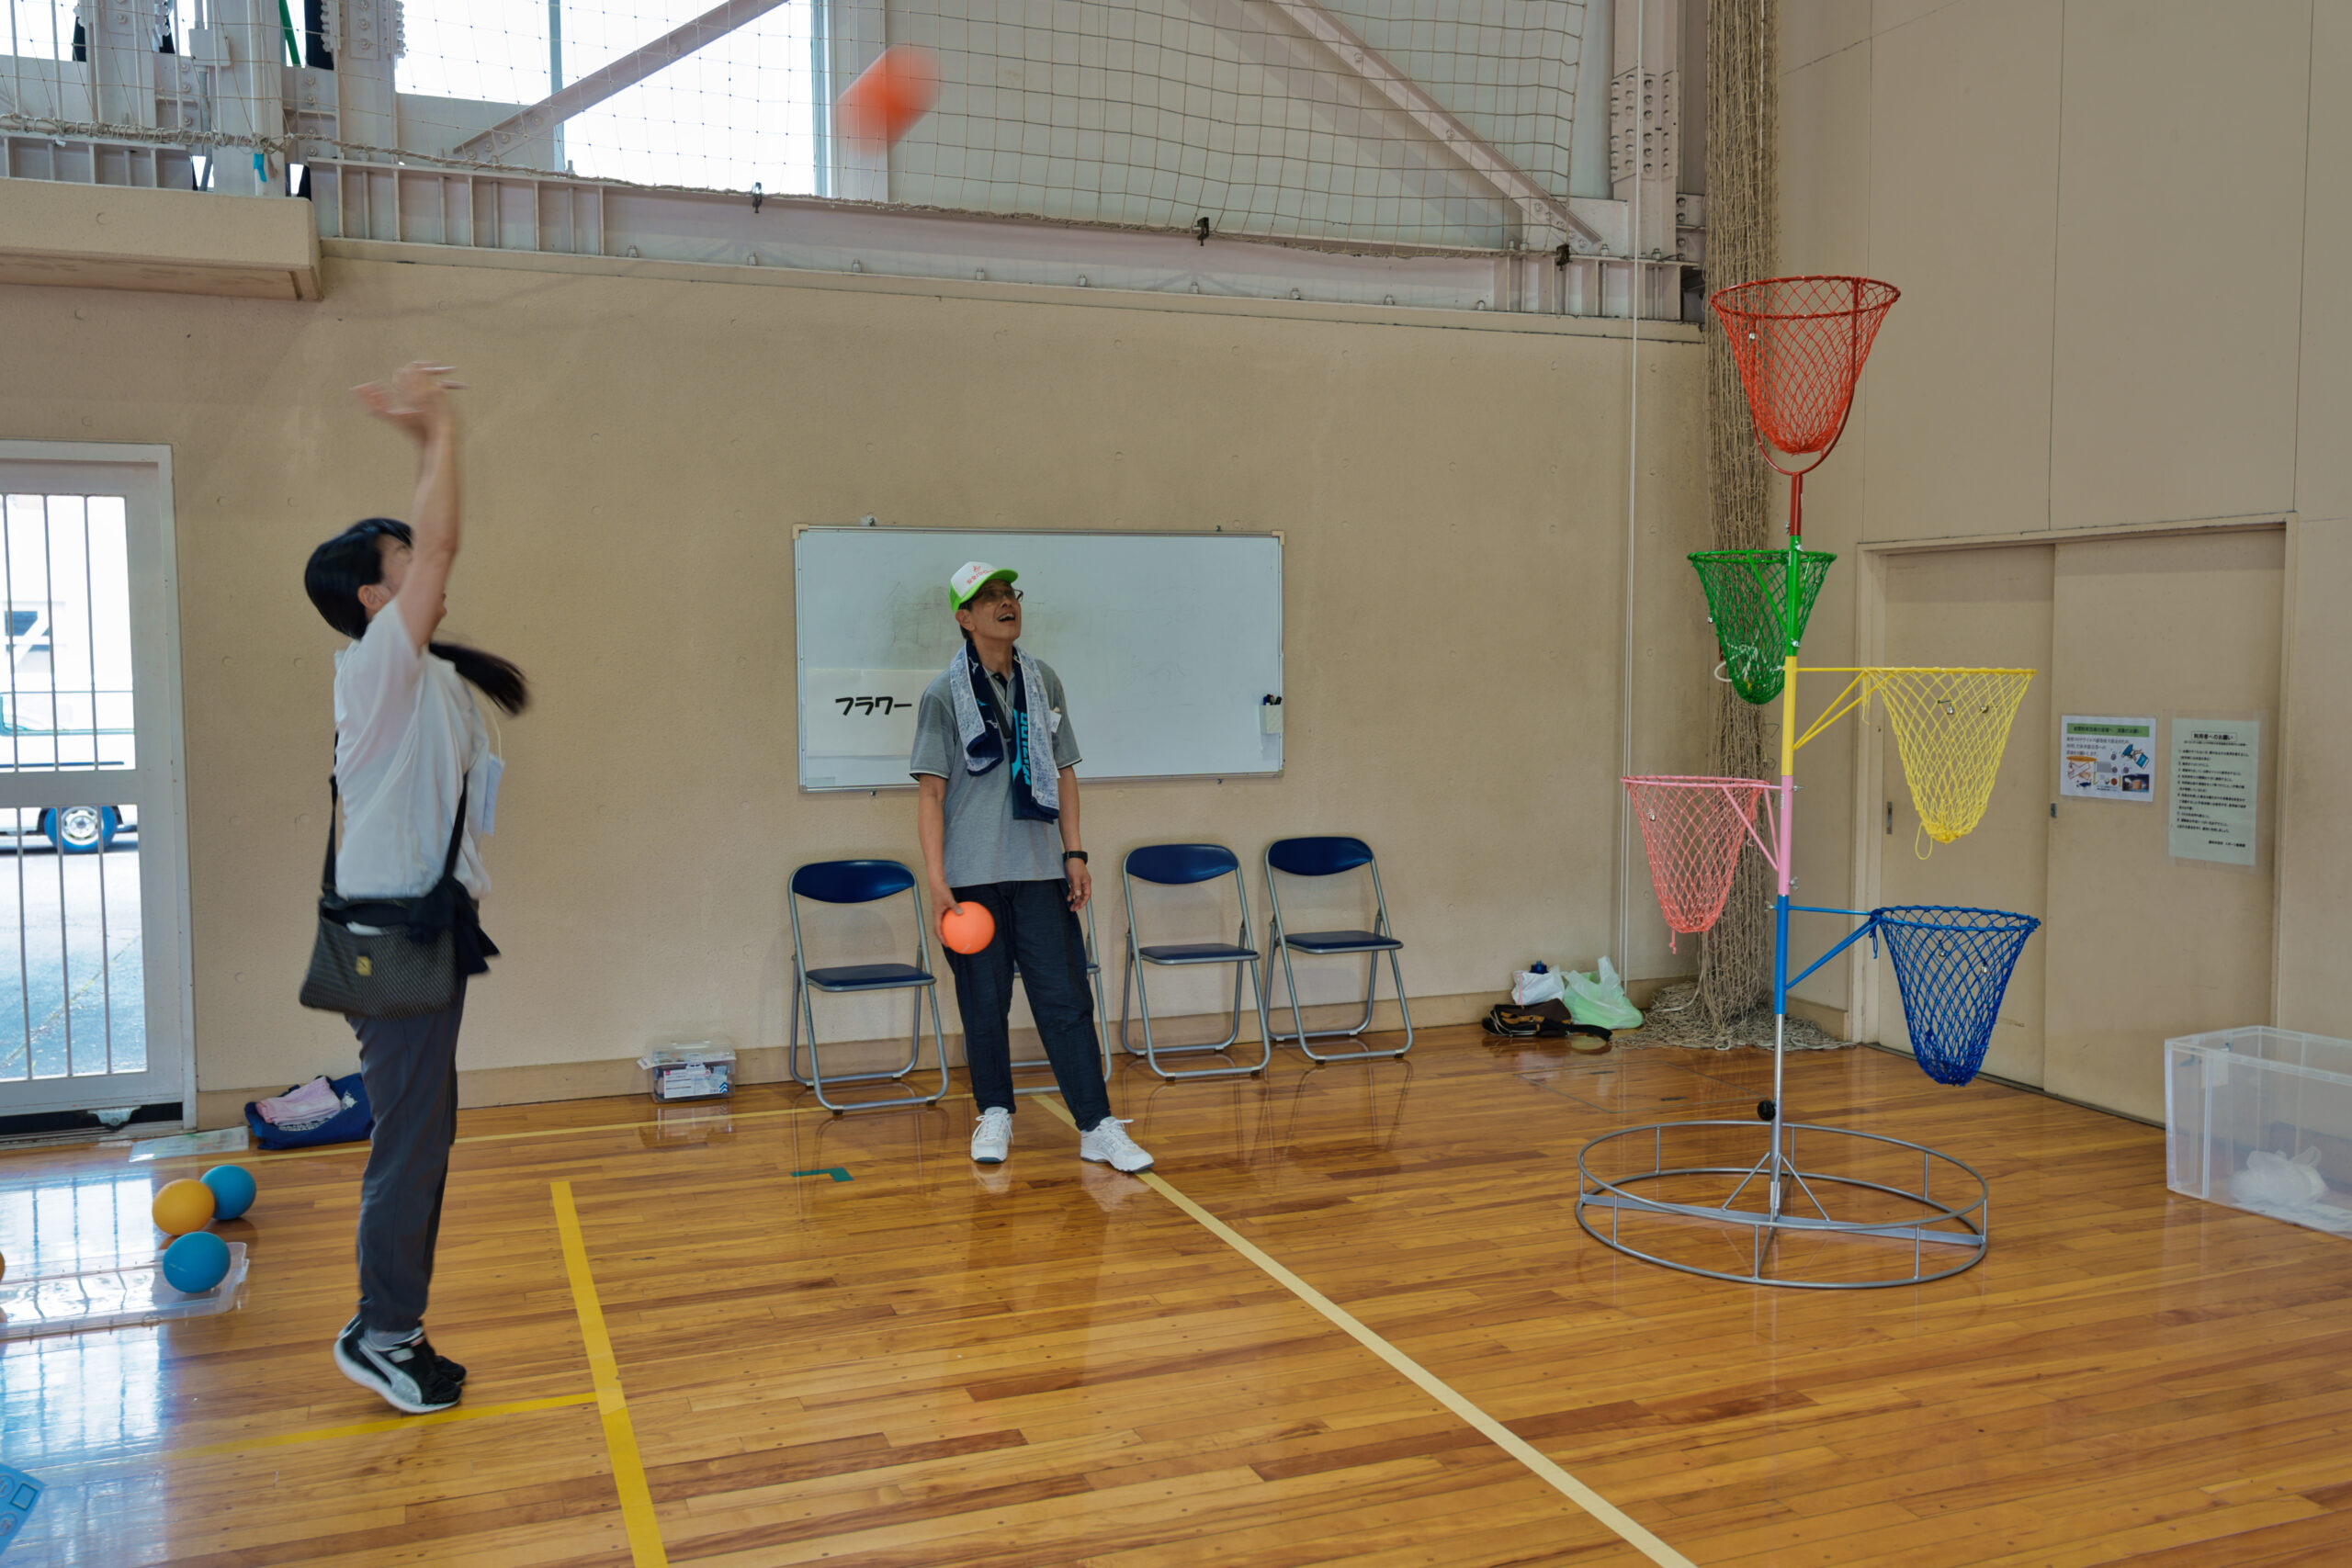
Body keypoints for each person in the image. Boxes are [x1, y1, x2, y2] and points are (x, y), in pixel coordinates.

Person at [301, 362, 528, 1415]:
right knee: (412, 1140)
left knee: (425, 1135)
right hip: (394, 939)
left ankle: (393, 1325)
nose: (424, 566)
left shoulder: (426, 674)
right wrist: (437, 434)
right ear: (373, 598)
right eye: (400, 562)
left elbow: (431, 555)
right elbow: (441, 546)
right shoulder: (377, 667)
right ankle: (382, 1331)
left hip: (428, 926)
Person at [910, 562, 1153, 1174]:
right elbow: (932, 793)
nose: (1005, 603)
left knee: (1065, 1000)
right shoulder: (942, 694)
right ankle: (994, 1112)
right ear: (965, 618)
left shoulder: (1043, 681)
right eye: (988, 597)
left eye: (1009, 593)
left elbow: (1064, 771)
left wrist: (1075, 852)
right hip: (971, 877)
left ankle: (1096, 1125)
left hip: (1042, 870)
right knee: (983, 1003)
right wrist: (936, 882)